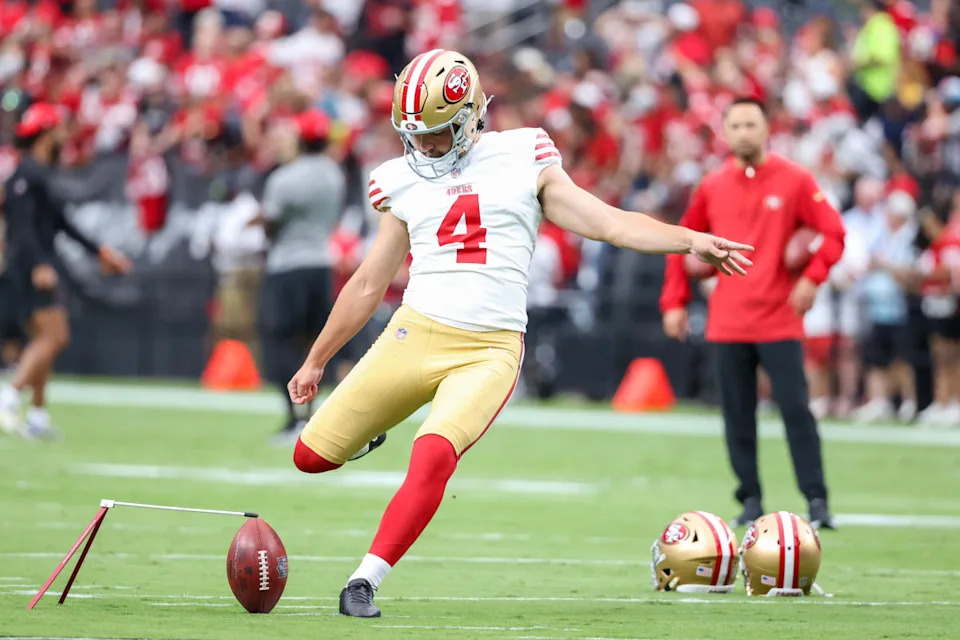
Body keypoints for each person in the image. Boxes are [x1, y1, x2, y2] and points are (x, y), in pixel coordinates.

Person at [286, 49, 754, 618]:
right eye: (416, 135)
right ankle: (368, 431)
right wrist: (315, 361)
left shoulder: (521, 154)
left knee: (432, 454)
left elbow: (607, 222)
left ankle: (365, 580)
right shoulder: (398, 179)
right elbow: (366, 284)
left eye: (437, 133)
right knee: (309, 458)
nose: (425, 146)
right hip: (415, 332)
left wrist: (689, 238)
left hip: (488, 348)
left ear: (470, 114)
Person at [660, 96, 845, 531]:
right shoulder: (712, 184)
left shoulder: (795, 179)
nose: (744, 132)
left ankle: (816, 500)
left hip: (779, 318)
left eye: (751, 124)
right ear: (726, 132)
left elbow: (834, 232)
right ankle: (750, 498)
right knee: (736, 414)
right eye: (736, 125)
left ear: (766, 129)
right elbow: (680, 242)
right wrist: (674, 301)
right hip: (728, 321)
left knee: (796, 409)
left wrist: (810, 278)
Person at [0, 103, 130, 438]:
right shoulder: (26, 175)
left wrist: (99, 251)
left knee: (44, 339)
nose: (63, 136)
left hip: (35, 263)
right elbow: (22, 229)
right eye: (58, 129)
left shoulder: (38, 173)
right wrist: (38, 264)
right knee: (54, 336)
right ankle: (9, 399)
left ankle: (38, 417)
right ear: (46, 133)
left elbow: (62, 223)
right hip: (32, 266)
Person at [252, 110, 349, 445]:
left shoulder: (285, 178)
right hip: (321, 262)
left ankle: (294, 416)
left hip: (287, 265)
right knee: (316, 344)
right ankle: (312, 417)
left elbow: (272, 221)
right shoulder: (334, 175)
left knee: (281, 341)